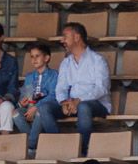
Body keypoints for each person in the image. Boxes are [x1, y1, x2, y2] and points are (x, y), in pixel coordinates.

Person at [30, 21, 109, 152]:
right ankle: (59, 146)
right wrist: (63, 101)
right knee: (44, 108)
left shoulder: (98, 60)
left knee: (84, 107)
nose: (62, 40)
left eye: (65, 36)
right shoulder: (66, 63)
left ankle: (82, 150)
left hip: (95, 104)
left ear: (77, 37)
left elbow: (102, 89)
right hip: (71, 104)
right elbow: (60, 88)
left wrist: (79, 100)